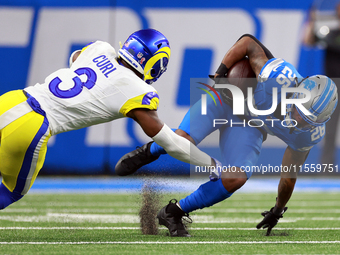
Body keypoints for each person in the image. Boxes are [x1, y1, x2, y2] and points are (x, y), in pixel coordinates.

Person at [115, 34, 338, 237]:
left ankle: (173, 212)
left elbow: (289, 176)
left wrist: (278, 210)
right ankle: (150, 150)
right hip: (226, 100)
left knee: (237, 177)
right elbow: (248, 42)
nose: (299, 120)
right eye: (301, 110)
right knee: (184, 142)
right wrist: (223, 72)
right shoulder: (278, 77)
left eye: (308, 119)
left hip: (250, 124)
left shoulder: (309, 134)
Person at [0, 29, 219, 210]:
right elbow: (170, 143)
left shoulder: (101, 48)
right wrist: (211, 163)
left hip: (11, 100)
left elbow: (75, 58)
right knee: (11, 192)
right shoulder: (136, 90)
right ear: (154, 63)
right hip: (32, 126)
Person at [303, 3, 340, 167]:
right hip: (333, 87)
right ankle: (326, 167)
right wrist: (311, 21)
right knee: (330, 130)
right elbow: (308, 41)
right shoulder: (330, 33)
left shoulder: (331, 36)